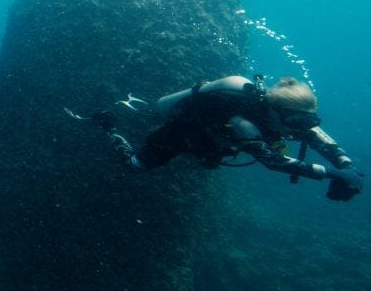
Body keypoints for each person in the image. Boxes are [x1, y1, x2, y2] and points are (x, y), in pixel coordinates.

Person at [91, 75, 364, 201]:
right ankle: (109, 128)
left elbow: (317, 137)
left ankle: (139, 111)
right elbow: (273, 161)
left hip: (214, 140)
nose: (301, 128)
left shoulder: (288, 115)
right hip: (184, 131)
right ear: (274, 111)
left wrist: (346, 165)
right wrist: (332, 174)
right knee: (135, 165)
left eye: (308, 121)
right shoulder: (242, 121)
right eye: (296, 122)